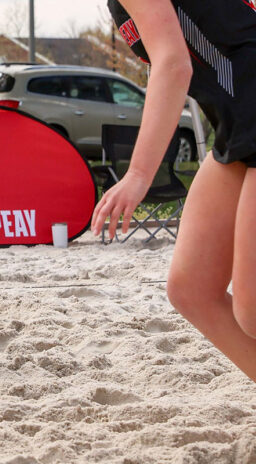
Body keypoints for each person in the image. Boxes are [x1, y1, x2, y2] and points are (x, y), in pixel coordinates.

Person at [92, 0, 256, 381]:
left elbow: (173, 64)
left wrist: (137, 174)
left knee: (251, 308)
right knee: (193, 288)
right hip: (238, 123)